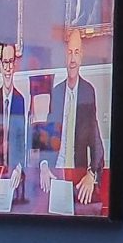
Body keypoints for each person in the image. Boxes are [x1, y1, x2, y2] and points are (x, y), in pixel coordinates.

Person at [43, 30, 103, 214]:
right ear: (65, 55)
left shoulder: (88, 92)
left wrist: (92, 173)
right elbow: (45, 135)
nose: (72, 59)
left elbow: (96, 141)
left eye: (76, 52)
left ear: (81, 56)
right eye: (69, 52)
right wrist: (44, 164)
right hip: (55, 174)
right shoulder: (56, 92)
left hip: (78, 174)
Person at [0, 44, 29, 211]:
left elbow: (22, 140)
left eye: (11, 62)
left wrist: (19, 167)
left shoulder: (20, 100)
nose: (8, 68)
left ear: (15, 65)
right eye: (5, 62)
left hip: (15, 173)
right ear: (0, 66)